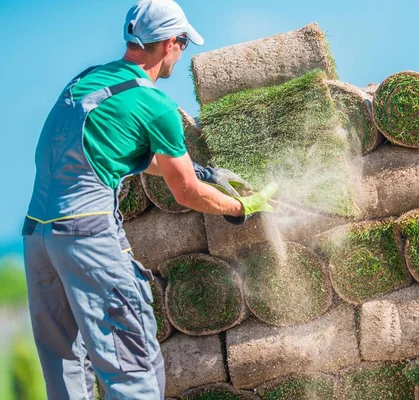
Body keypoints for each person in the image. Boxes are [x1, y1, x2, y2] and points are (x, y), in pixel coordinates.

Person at [22, 0, 276, 398]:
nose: (181, 53)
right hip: (88, 237)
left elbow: (114, 148)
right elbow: (185, 192)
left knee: (66, 363)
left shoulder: (87, 80)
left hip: (39, 238)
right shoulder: (155, 105)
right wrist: (241, 207)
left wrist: (202, 171)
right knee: (131, 362)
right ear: (170, 43)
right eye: (184, 45)